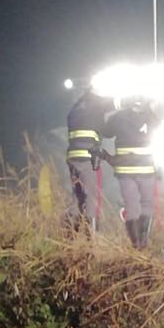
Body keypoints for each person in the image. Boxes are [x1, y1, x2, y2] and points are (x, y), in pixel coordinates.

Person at [103, 98, 157, 247]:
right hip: (146, 168)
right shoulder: (151, 116)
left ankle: (136, 245)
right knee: (146, 204)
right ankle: (143, 242)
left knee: (131, 206)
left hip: (125, 170)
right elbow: (158, 126)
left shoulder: (118, 117)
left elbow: (106, 132)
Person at [66, 87, 108, 231]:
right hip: (89, 159)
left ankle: (71, 234)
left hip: (73, 157)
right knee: (92, 198)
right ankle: (92, 239)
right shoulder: (96, 108)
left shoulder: (74, 110)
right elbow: (106, 130)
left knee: (77, 196)